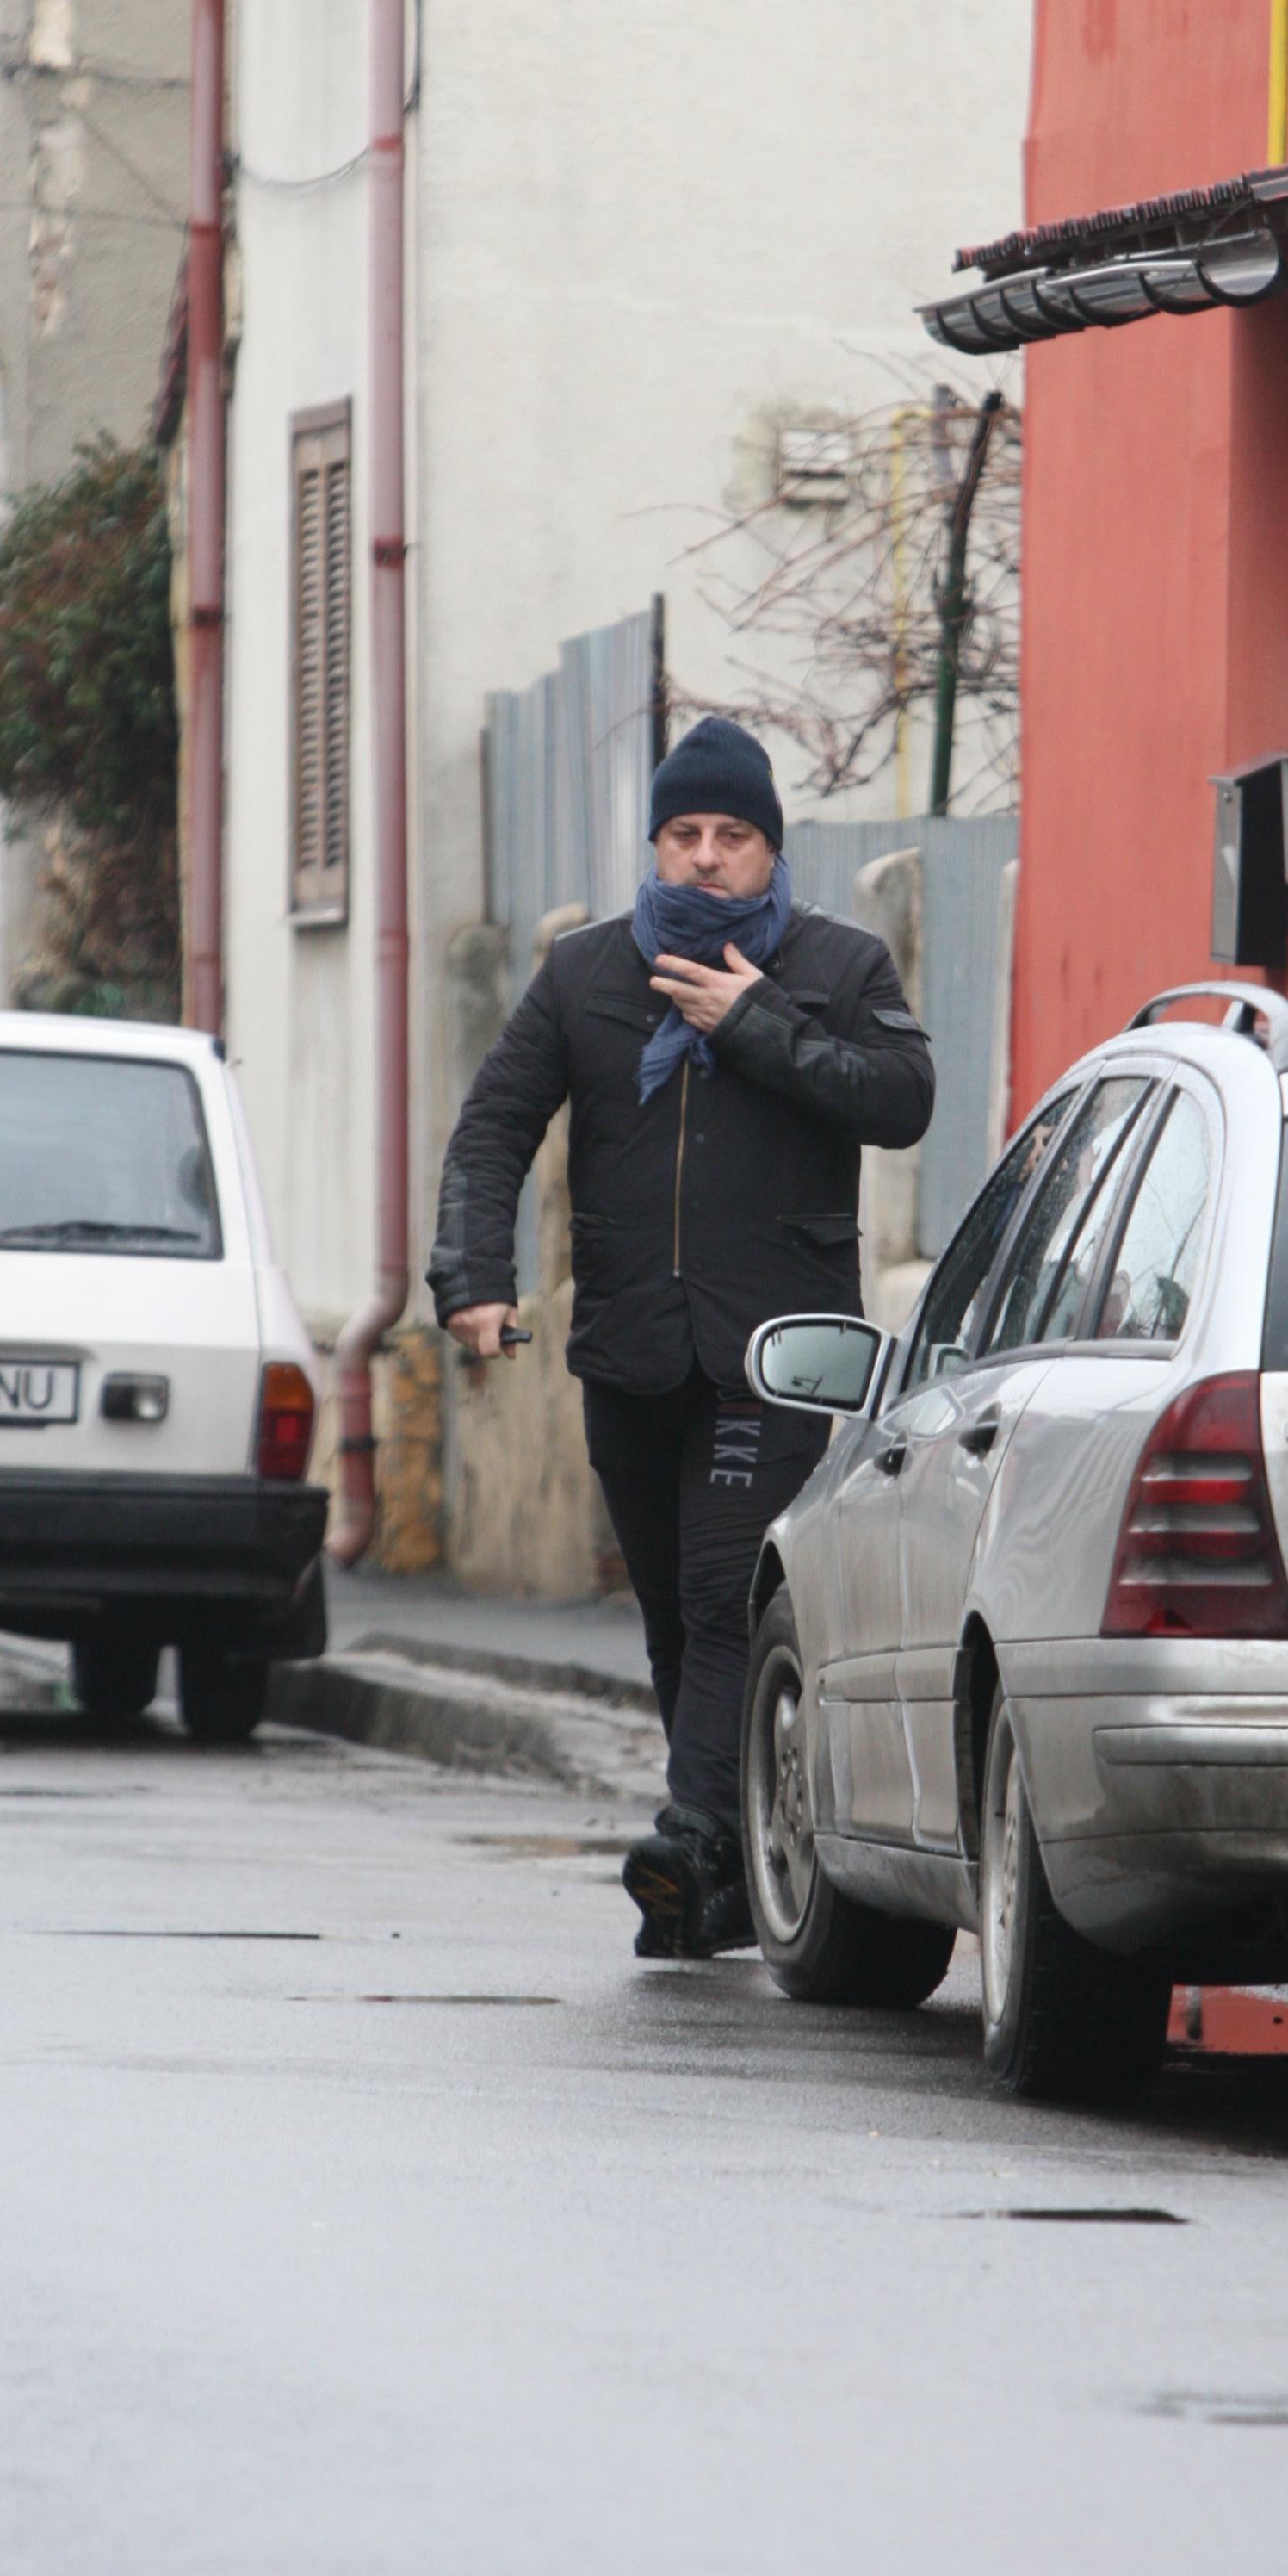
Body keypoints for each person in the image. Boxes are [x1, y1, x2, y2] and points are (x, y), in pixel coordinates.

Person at [429, 717, 935, 1958]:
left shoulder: (839, 964)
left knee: (720, 1592)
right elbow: (496, 1125)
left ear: (771, 850)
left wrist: (755, 1020)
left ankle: (694, 1832)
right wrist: (472, 1280)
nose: (708, 858)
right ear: (656, 844)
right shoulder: (587, 974)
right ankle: (717, 1874)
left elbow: (902, 1101)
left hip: (777, 1352)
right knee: (671, 1612)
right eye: (686, 834)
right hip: (631, 1344)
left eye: (734, 837)